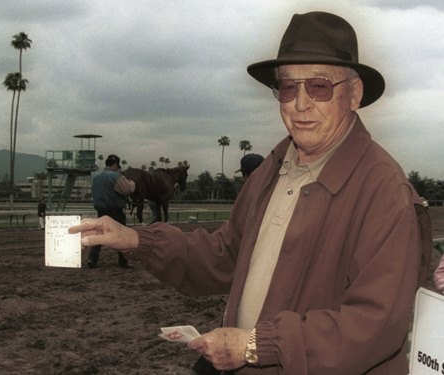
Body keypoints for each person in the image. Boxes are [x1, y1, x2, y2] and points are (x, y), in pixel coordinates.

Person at [70, 11, 432, 374]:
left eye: (319, 86)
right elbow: (226, 254)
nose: (300, 103)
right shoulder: (272, 170)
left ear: (354, 94)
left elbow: (376, 323)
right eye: (288, 87)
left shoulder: (384, 191)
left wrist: (258, 346)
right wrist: (136, 240)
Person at [88, 154, 135, 268]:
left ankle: (92, 259)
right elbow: (126, 191)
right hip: (115, 211)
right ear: (115, 164)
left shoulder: (96, 178)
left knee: (99, 235)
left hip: (101, 211)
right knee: (122, 236)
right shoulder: (116, 176)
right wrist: (132, 183)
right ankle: (123, 261)